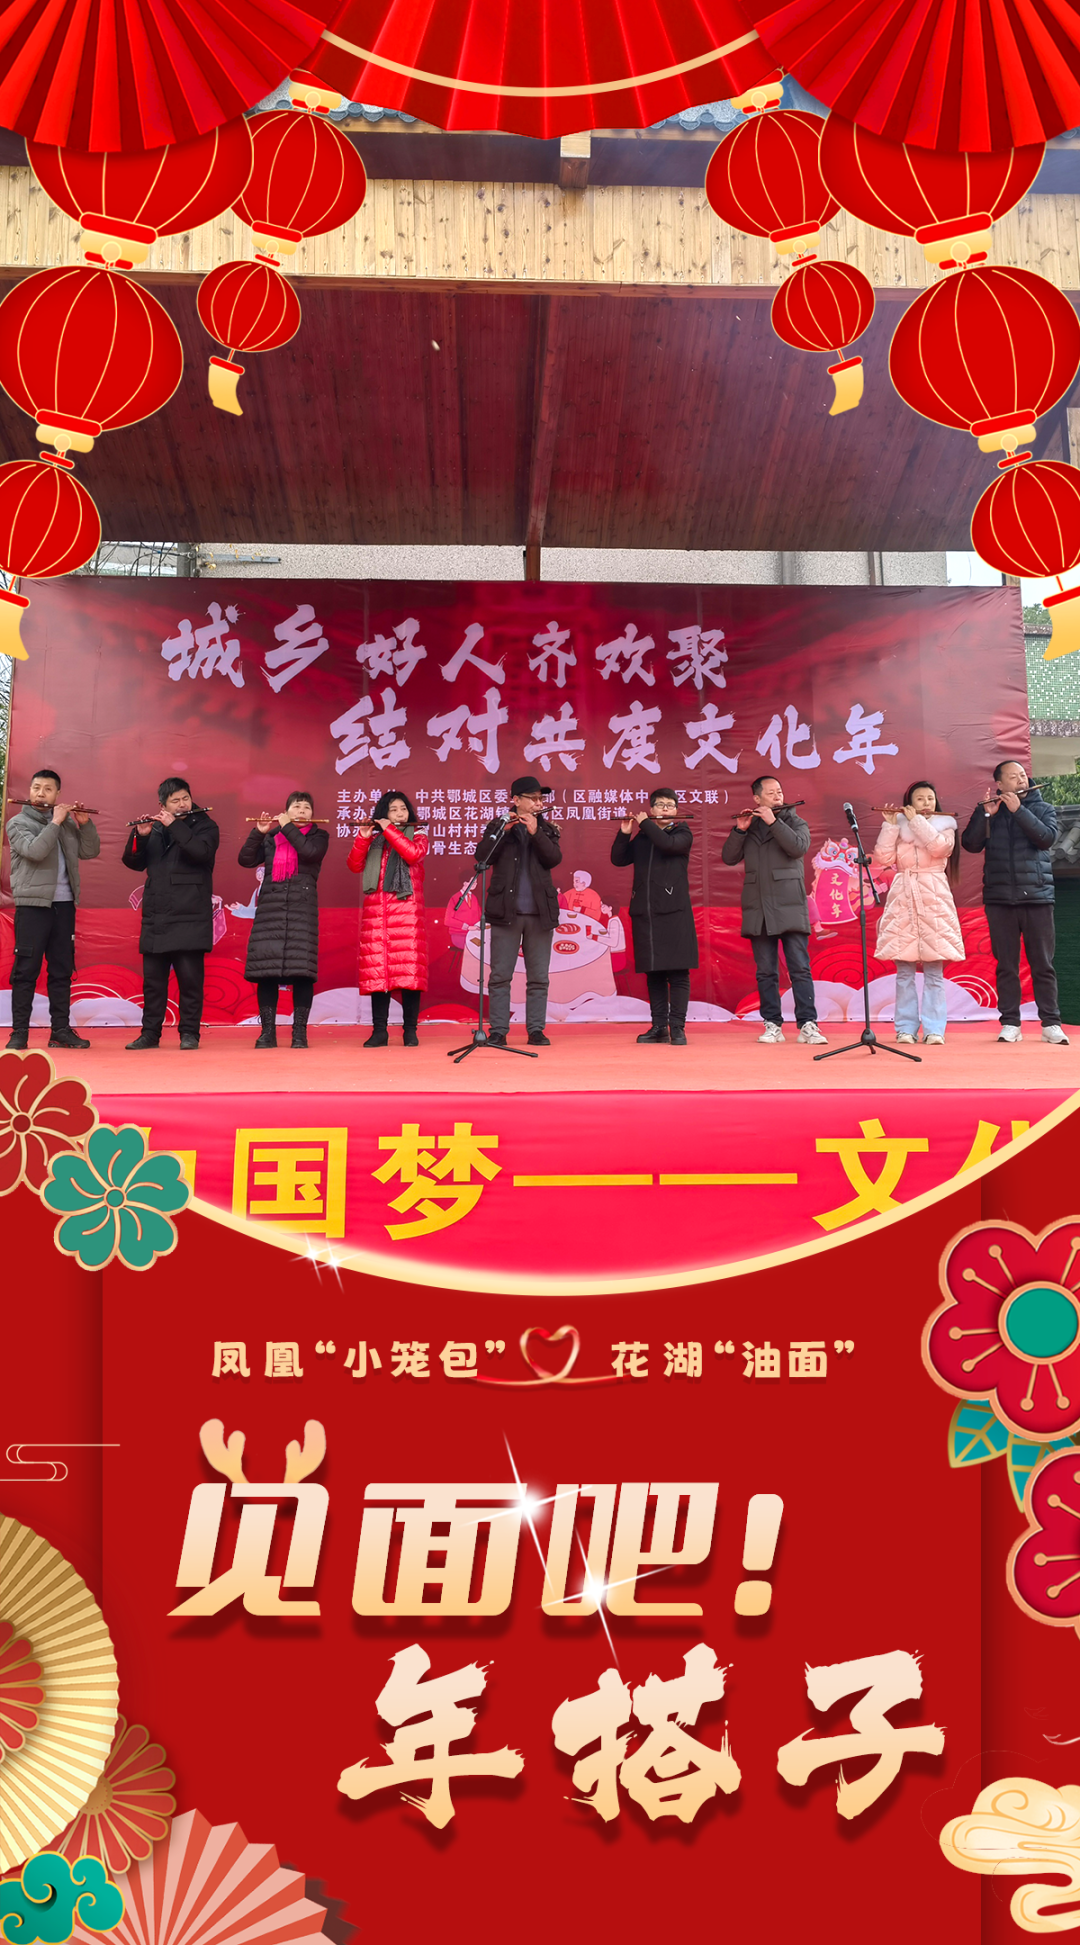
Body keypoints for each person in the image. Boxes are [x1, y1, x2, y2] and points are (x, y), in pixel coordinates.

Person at [961, 758, 1068, 1045]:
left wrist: (1019, 810)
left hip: (1037, 896)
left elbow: (1046, 839)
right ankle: (1010, 1023)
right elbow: (970, 845)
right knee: (1006, 965)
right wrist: (986, 816)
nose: (1021, 779)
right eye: (1013, 776)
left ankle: (1051, 1023)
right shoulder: (989, 810)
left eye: (1022, 774)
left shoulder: (1043, 808)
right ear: (999, 784)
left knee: (1042, 963)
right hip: (999, 899)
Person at [721, 776, 826, 1046]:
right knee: (766, 971)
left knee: (799, 968)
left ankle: (808, 1024)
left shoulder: (795, 822)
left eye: (779, 791)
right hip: (759, 908)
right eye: (770, 793)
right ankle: (772, 1024)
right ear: (757, 799)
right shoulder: (751, 824)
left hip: (790, 905)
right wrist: (740, 830)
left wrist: (773, 822)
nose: (778, 796)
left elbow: (798, 848)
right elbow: (729, 858)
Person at [5, 769, 100, 1050]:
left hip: (64, 905)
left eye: (48, 789)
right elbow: (35, 851)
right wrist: (56, 822)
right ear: (29, 791)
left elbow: (89, 851)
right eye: (36, 788)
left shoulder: (67, 823)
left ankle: (60, 1030)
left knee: (61, 970)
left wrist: (84, 825)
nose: (41, 793)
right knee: (26, 971)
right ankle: (19, 1032)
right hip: (32, 906)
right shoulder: (17, 822)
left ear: (58, 794)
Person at [122, 779, 219, 1050]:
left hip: (190, 913)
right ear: (162, 805)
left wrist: (174, 825)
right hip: (157, 915)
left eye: (185, 798)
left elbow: (201, 852)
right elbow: (133, 863)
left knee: (190, 981)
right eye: (175, 801)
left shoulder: (206, 825)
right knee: (153, 983)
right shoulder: (155, 828)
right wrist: (141, 836)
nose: (182, 804)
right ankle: (150, 1034)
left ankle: (189, 1033)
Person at [873, 782, 964, 1046]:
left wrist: (915, 822)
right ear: (910, 803)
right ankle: (905, 1029)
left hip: (934, 896)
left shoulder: (945, 825)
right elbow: (882, 858)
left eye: (930, 798)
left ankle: (935, 1029)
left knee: (934, 970)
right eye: (920, 799)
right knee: (904, 972)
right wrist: (890, 826)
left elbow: (939, 849)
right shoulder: (900, 826)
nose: (926, 803)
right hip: (903, 896)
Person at [475, 776, 562, 1047]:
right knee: (500, 975)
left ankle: (536, 1029)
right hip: (506, 912)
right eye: (533, 798)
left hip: (539, 913)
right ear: (516, 800)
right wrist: (504, 831)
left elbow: (553, 859)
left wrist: (536, 832)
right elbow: (482, 857)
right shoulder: (499, 825)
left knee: (538, 977)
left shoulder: (547, 828)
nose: (539, 803)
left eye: (541, 799)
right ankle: (499, 1030)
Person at [237, 792, 328, 1049]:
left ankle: (299, 1033)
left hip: (302, 910)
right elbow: (245, 860)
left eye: (306, 807)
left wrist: (287, 827)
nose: (302, 811)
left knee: (302, 972)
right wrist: (258, 832)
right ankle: (268, 1032)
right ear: (286, 810)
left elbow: (309, 853)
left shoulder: (319, 836)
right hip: (270, 910)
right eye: (296, 806)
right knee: (267, 971)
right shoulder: (271, 837)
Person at [610, 787, 697, 1045]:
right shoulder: (643, 835)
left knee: (678, 972)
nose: (665, 808)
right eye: (660, 804)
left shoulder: (682, 833)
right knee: (654, 972)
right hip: (646, 913)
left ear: (677, 810)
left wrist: (646, 824)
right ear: (651, 808)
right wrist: (625, 832)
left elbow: (667, 845)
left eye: (670, 805)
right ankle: (659, 1026)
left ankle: (677, 1027)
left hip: (674, 912)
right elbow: (618, 859)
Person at [348, 790, 428, 1048]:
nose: (400, 813)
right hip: (377, 914)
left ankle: (410, 1031)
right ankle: (379, 1031)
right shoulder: (375, 840)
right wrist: (363, 837)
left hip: (406, 913)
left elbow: (412, 854)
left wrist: (390, 830)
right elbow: (354, 865)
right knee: (378, 973)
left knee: (409, 973)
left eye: (403, 809)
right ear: (383, 814)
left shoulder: (418, 835)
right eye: (393, 810)